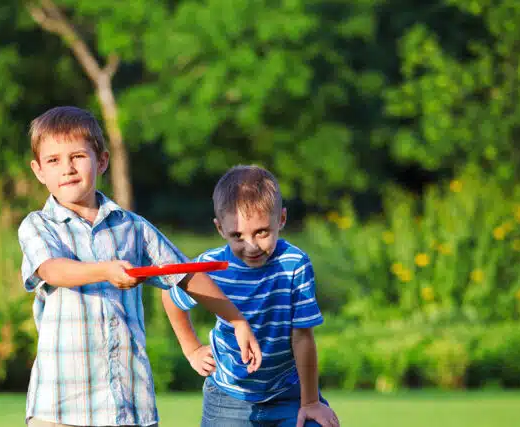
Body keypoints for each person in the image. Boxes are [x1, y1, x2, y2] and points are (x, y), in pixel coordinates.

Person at [17, 106, 263, 427]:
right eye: (54, 160)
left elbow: (186, 275)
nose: (67, 168)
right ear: (38, 171)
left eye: (77, 156)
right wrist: (105, 271)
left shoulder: (133, 227)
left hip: (127, 406)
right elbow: (53, 271)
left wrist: (237, 320)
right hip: (61, 408)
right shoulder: (38, 225)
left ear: (101, 161)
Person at [162, 165, 339, 427]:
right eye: (237, 236)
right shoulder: (211, 268)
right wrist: (192, 349)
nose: (251, 246)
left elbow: (303, 337)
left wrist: (310, 401)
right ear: (220, 228)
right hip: (228, 397)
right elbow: (172, 295)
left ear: (281, 219)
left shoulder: (295, 264)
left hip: (287, 393)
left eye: (262, 232)